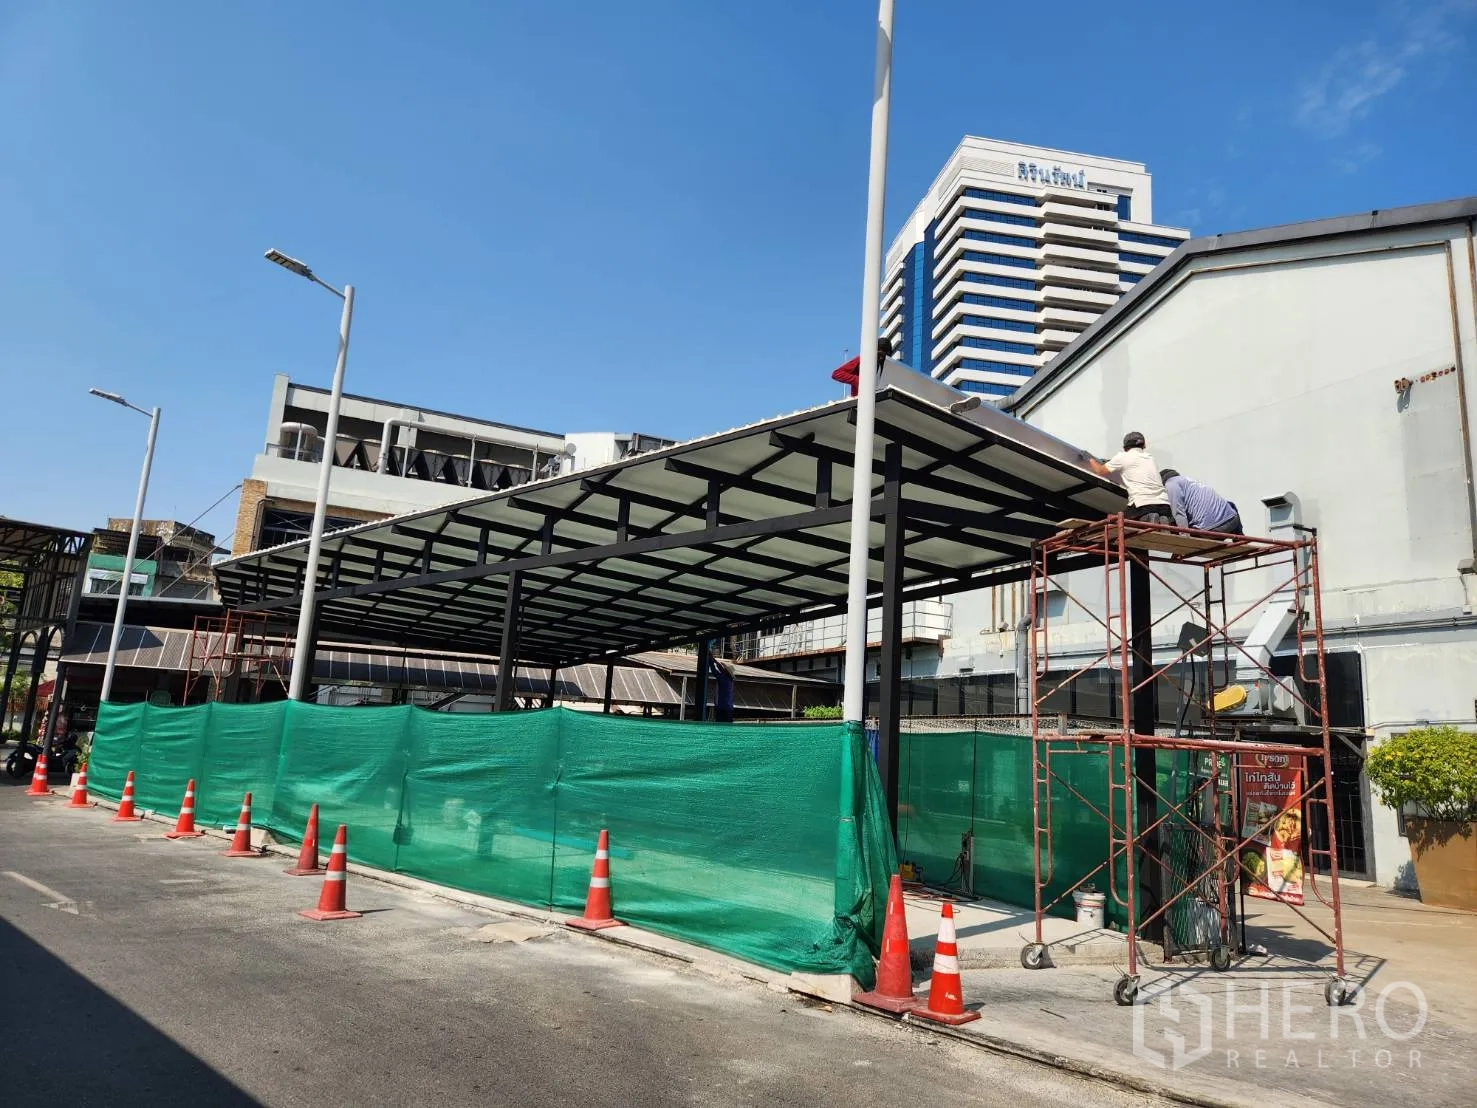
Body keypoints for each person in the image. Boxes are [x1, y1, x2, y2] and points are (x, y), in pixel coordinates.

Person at [1089, 432, 1173, 524]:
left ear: (1125, 447)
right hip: (1165, 505)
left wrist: (1090, 459)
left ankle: (1148, 517)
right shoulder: (1150, 458)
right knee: (1155, 518)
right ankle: (1162, 519)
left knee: (1116, 521)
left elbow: (1100, 470)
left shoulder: (1122, 457)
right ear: (1143, 445)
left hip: (1143, 504)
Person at [1159, 469, 1243, 534]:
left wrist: (1184, 538)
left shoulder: (1170, 484)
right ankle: (1239, 536)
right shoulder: (1189, 481)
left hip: (1212, 529)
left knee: (1174, 524)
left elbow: (1179, 513)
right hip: (1233, 521)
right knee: (1230, 505)